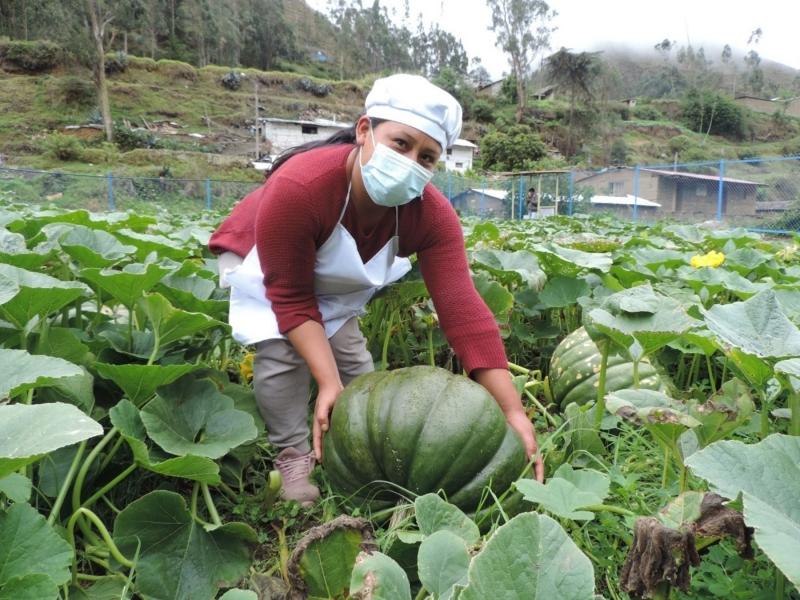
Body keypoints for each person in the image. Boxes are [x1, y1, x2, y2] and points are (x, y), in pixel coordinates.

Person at [209, 74, 544, 506]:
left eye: (427, 157)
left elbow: (464, 312)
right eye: (401, 144)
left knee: (352, 359)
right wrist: (327, 384)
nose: (411, 161)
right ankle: (292, 455)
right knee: (281, 353)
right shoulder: (302, 188)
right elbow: (291, 298)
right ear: (365, 130)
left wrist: (512, 410)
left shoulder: (431, 217)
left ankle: (361, 449)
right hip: (269, 263)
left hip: (334, 281)